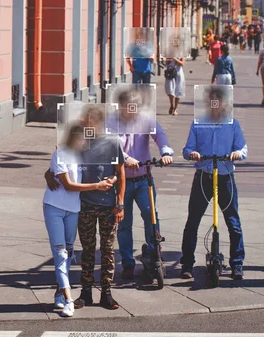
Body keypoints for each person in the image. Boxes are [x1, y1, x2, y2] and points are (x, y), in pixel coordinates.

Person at [46, 105, 125, 310]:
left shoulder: (112, 142)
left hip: (108, 205)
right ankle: (86, 292)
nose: (85, 122)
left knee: (107, 250)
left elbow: (120, 173)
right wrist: (48, 173)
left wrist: (120, 203)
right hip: (85, 205)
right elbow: (61, 161)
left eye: (89, 119)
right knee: (87, 250)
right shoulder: (80, 143)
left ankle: (106, 292)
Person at [180, 86, 247, 280]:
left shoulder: (233, 124)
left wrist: (237, 154)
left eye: (219, 101)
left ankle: (237, 263)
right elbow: (187, 149)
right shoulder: (198, 123)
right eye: (212, 102)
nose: (216, 105)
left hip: (225, 175)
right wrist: (192, 154)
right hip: (204, 175)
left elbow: (242, 148)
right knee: (193, 220)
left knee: (233, 221)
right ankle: (187, 263)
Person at [112, 89, 174, 279]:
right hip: (122, 180)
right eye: (130, 106)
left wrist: (165, 152)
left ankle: (153, 254)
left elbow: (160, 135)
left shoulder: (145, 118)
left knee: (150, 215)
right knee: (124, 223)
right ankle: (128, 262)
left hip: (143, 178)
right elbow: (110, 144)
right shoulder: (112, 122)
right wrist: (126, 158)